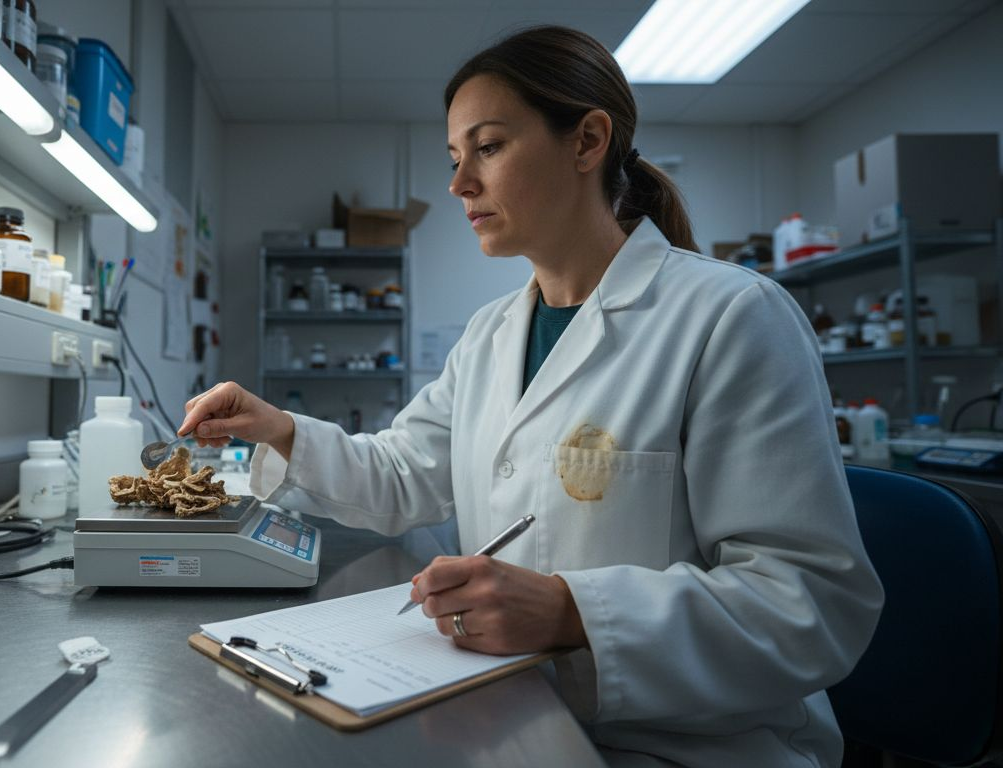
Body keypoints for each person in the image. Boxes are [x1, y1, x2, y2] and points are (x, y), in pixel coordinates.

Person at [178, 25, 882, 768]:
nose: (458, 185)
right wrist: (280, 429)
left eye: (487, 148)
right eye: (455, 158)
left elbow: (809, 604)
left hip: (697, 745)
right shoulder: (490, 336)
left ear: (587, 141)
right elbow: (405, 471)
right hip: (515, 717)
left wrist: (576, 613)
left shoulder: (731, 316)